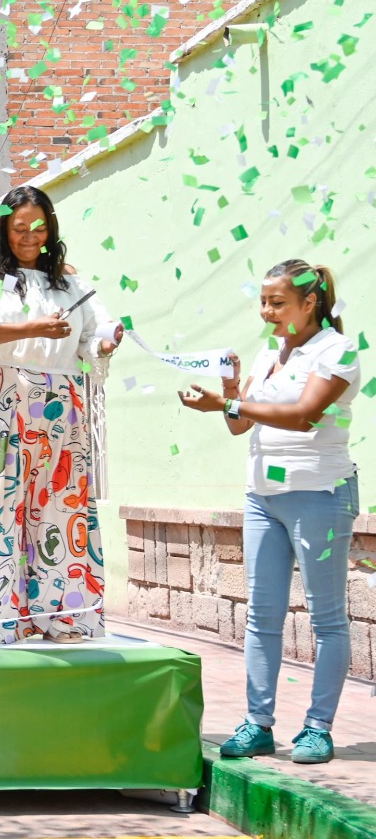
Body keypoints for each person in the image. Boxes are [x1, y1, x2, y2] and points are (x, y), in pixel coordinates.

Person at [178, 259, 360, 766]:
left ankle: (318, 728)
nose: (267, 312)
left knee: (326, 619)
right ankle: (258, 724)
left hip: (321, 493)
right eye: (263, 301)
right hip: (262, 498)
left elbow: (304, 417)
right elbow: (241, 428)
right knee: (261, 617)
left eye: (277, 302)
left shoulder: (338, 351)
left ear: (310, 302)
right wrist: (234, 392)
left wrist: (229, 405)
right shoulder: (267, 353)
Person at [0, 185, 122, 645]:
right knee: (1, 507)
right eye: (19, 228)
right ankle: (1, 618)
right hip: (0, 398)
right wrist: (36, 326)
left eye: (39, 227)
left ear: (51, 229)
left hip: (60, 403)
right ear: (4, 228)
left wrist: (106, 340)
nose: (30, 236)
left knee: (60, 507)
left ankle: (64, 616)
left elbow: (91, 334)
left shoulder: (68, 281)